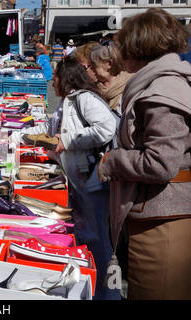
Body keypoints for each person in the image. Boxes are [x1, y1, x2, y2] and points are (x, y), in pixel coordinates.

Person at [97, 8, 191, 300]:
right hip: (157, 214)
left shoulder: (163, 90)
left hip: (163, 220)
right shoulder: (160, 83)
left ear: (139, 46)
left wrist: (111, 162)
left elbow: (161, 163)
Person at [10, 57, 120, 300]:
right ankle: (90, 288)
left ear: (66, 78)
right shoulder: (65, 104)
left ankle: (109, 294)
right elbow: (49, 133)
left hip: (93, 181)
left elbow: (106, 127)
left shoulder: (84, 99)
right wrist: (16, 137)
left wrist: (68, 141)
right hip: (78, 181)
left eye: (55, 77)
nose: (52, 81)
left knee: (100, 242)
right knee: (86, 237)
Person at [89, 41, 132, 113]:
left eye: (94, 63)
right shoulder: (92, 90)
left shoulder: (131, 84)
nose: (91, 67)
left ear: (109, 64)